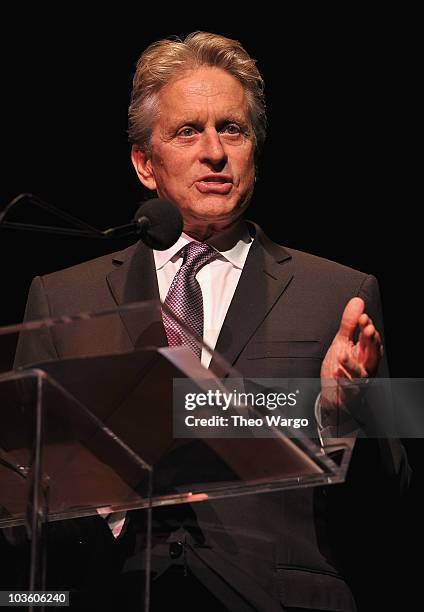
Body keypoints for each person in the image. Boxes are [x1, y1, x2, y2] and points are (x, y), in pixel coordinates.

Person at [10, 32, 409, 611]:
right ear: (145, 163)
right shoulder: (61, 296)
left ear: (255, 150)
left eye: (233, 129)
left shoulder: (341, 294)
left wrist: (343, 415)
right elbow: (19, 501)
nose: (215, 151)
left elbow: (396, 499)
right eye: (187, 131)